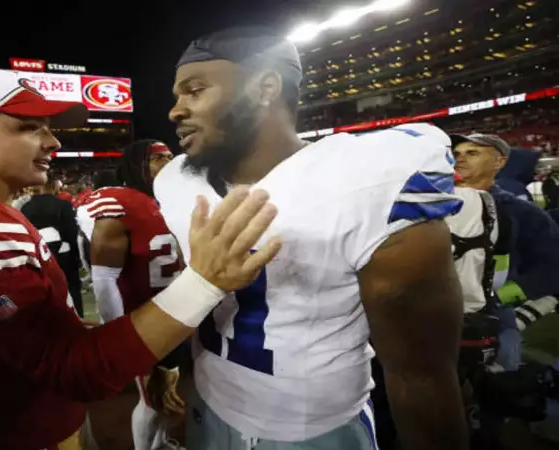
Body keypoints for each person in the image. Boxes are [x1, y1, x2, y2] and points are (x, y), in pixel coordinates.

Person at [0, 68, 281, 450]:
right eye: (28, 127)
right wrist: (204, 282)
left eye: (48, 128)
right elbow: (73, 370)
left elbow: (36, 338)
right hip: (15, 437)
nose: (53, 142)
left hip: (30, 423)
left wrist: (139, 349)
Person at [157, 27, 469, 450]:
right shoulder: (176, 181)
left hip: (313, 432)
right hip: (207, 405)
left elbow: (421, 376)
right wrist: (190, 377)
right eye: (177, 96)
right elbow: (199, 300)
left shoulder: (366, 181)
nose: (175, 111)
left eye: (195, 91)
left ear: (265, 87)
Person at [77, 139, 181, 450]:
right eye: (157, 158)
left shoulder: (172, 199)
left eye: (170, 156)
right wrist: (119, 334)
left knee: (169, 392)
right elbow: (104, 279)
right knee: (151, 399)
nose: (167, 163)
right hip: (143, 315)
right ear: (136, 164)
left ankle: (160, 442)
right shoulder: (118, 203)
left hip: (176, 310)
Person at [452, 133, 559, 302]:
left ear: (499, 162)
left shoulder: (521, 212)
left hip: (486, 312)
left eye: (472, 153)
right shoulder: (433, 204)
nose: (460, 159)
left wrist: (496, 299)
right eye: (456, 154)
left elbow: (551, 268)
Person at [21, 173, 84, 316]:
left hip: (39, 257)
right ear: (55, 186)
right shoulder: (63, 205)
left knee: (46, 294)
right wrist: (77, 256)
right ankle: (77, 321)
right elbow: (72, 232)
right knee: (72, 289)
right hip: (64, 256)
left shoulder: (25, 207)